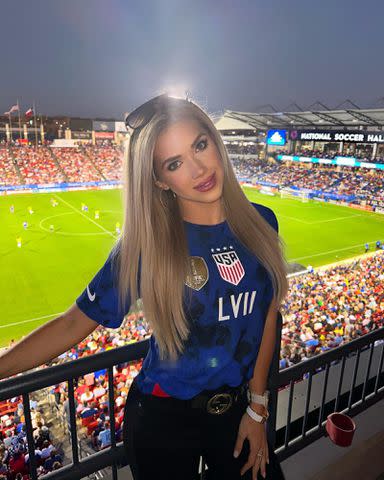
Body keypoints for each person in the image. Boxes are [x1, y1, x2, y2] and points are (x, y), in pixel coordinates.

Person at [0, 94, 288, 480]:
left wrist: (256, 407)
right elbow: (72, 324)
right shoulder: (147, 244)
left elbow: (267, 316)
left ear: (215, 142)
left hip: (236, 409)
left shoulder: (262, 223)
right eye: (175, 163)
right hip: (162, 417)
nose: (199, 168)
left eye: (200, 145)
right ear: (158, 179)